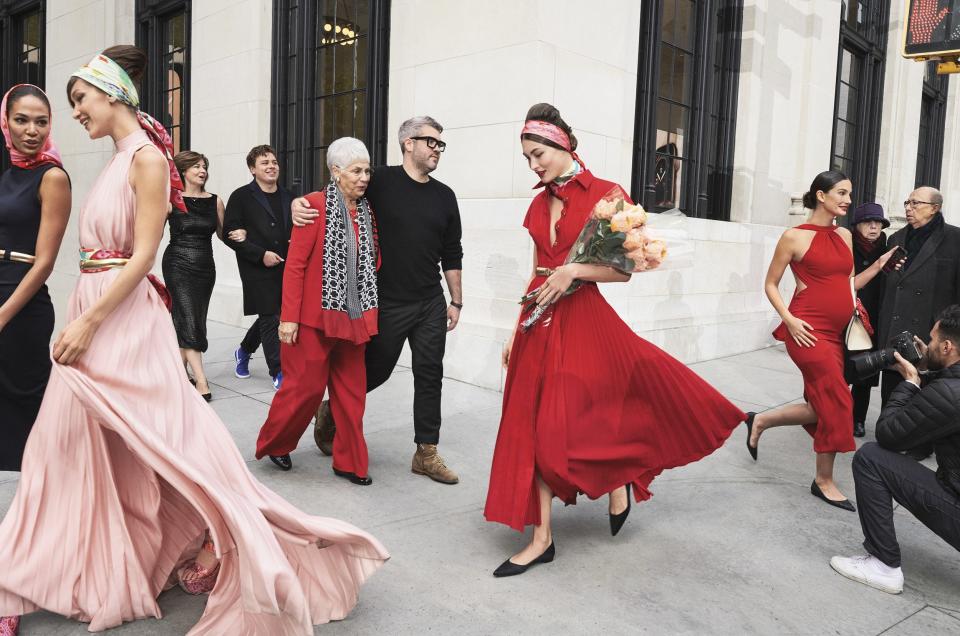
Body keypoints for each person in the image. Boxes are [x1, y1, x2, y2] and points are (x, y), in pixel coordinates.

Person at [0, 47, 386, 635]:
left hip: (120, 323)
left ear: (110, 94)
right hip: (101, 312)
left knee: (165, 445)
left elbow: (142, 257)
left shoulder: (148, 160)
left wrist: (85, 322)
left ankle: (221, 539)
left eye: (80, 100)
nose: (74, 113)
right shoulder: (117, 158)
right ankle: (34, 578)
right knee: (73, 451)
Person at [483, 103, 747, 577]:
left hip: (583, 322)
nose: (534, 164)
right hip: (537, 322)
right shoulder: (537, 203)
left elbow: (623, 273)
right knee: (531, 428)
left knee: (581, 421)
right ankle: (542, 537)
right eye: (527, 158)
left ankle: (619, 477)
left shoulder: (608, 198)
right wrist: (514, 328)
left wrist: (575, 270)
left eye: (539, 153)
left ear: (564, 145)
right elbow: (535, 271)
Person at [292, 115, 463, 485]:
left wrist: (456, 301)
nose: (437, 149)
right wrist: (297, 204)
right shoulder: (378, 181)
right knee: (376, 370)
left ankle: (426, 452)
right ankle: (332, 412)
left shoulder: (444, 196)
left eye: (440, 144)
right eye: (431, 142)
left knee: (430, 372)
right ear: (408, 143)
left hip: (430, 300)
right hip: (387, 301)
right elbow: (335, 191)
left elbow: (453, 251)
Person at [747, 171, 900, 511]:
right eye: (842, 193)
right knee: (836, 403)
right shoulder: (794, 236)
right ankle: (823, 481)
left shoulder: (844, 235)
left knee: (821, 406)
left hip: (838, 334)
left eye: (849, 193)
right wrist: (789, 319)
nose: (848, 200)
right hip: (807, 331)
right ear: (821, 195)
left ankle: (760, 421)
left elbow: (847, 284)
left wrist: (877, 266)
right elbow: (771, 284)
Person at [255, 137, 379, 484]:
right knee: (304, 390)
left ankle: (350, 462)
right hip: (311, 319)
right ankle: (276, 443)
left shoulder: (368, 211)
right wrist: (289, 318)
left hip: (355, 318)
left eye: (367, 170)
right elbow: (294, 265)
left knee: (352, 396)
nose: (364, 177)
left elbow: (374, 258)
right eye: (356, 170)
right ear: (336, 171)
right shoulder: (312, 205)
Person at [0, 83, 71, 636]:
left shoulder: (53, 177)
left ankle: (20, 582)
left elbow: (44, 263)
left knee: (27, 448)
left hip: (21, 312)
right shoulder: (1, 171)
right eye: (22, 119)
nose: (31, 129)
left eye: (41, 121)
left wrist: (0, 316)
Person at [830, 305, 960, 594]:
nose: (929, 346)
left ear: (948, 346)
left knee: (871, 457)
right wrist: (932, 365)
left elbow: (889, 435)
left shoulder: (951, 393)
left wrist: (911, 383)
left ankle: (883, 565)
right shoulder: (951, 385)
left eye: (934, 341)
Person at [223, 144, 292, 390]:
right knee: (270, 315)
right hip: (257, 267)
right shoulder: (241, 196)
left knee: (270, 315)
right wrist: (260, 254)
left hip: (286, 265)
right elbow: (229, 233)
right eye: (264, 163)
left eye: (274, 162)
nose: (271, 166)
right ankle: (278, 371)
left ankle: (243, 350)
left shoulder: (289, 196)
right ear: (253, 169)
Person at [161, 150, 224, 401]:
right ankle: (201, 380)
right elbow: (151, 231)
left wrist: (247, 240)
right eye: (196, 166)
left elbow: (224, 234)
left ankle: (176, 372)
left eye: (204, 166)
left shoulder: (215, 201)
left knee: (192, 317)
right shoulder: (171, 200)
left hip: (205, 267)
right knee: (188, 317)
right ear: (182, 171)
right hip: (177, 264)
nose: (202, 171)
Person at [849, 202, 889, 437]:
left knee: (865, 373)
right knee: (839, 370)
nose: (874, 227)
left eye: (878, 223)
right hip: (845, 315)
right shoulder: (846, 245)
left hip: (872, 319)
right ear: (857, 225)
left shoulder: (888, 248)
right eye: (868, 222)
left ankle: (857, 419)